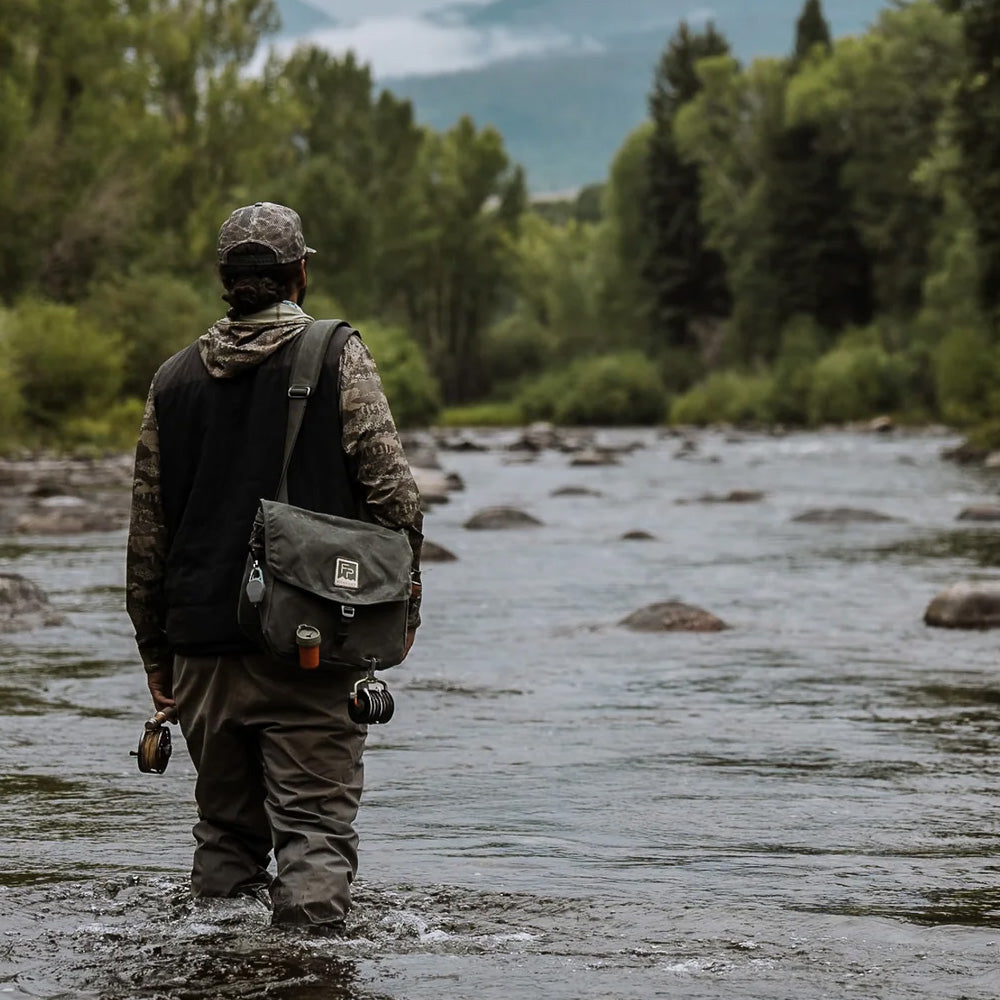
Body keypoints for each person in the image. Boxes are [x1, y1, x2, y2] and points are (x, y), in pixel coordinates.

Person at [125, 201, 423, 931]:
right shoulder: (335, 351)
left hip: (200, 652)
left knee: (225, 839)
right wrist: (397, 618)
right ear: (300, 274)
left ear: (226, 280)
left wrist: (157, 656)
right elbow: (395, 497)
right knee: (314, 834)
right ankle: (306, 974)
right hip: (308, 644)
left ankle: (217, 970)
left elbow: (147, 539)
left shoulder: (170, 380)